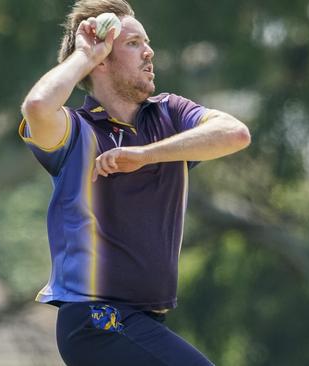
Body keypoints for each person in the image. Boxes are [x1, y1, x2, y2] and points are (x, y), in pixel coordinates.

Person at [19, 0, 250, 364]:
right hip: (96, 321)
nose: (149, 51)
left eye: (147, 41)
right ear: (103, 60)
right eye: (133, 43)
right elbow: (36, 107)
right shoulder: (76, 131)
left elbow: (234, 133)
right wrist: (84, 54)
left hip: (144, 320)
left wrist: (144, 155)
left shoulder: (170, 114)